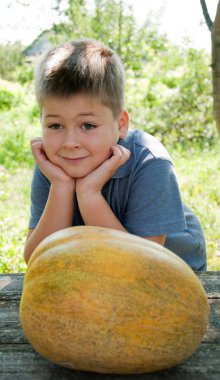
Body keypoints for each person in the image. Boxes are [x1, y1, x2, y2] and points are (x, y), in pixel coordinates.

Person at [24, 39, 207, 271]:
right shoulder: (53, 164)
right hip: (104, 267)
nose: (70, 143)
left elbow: (142, 267)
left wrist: (89, 194)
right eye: (55, 126)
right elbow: (37, 259)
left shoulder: (150, 162)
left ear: (120, 124)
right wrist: (61, 185)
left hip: (173, 271)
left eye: (88, 126)